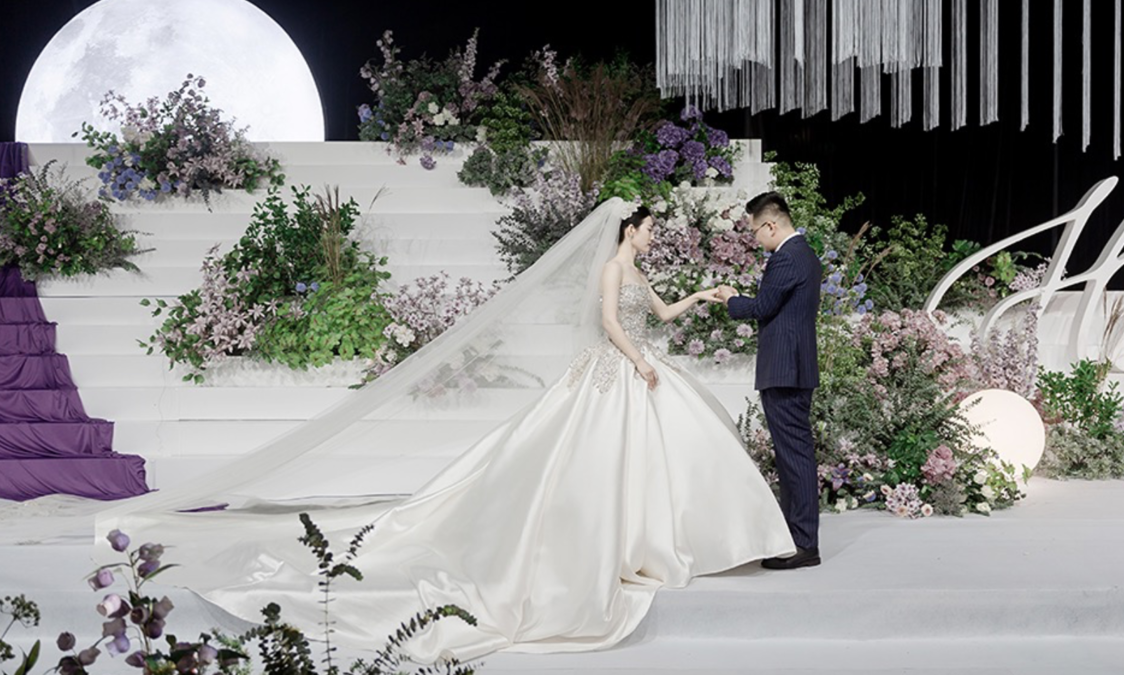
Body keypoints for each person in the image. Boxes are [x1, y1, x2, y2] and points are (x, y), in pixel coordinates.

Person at [103, 201, 795, 661]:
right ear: (628, 230)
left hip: (638, 369)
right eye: (648, 229)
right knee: (595, 463)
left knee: (662, 459)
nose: (652, 236)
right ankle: (618, 540)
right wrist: (639, 361)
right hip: (617, 372)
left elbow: (660, 314)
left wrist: (702, 296)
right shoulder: (614, 268)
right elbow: (613, 324)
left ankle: (664, 539)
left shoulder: (636, 269)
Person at [718, 191, 823, 570]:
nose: (755, 239)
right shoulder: (806, 254)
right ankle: (796, 538)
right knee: (794, 454)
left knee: (794, 456)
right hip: (795, 367)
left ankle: (803, 544)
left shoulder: (786, 258)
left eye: (755, 232)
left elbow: (763, 307)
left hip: (784, 369)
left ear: (770, 225)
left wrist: (730, 299)